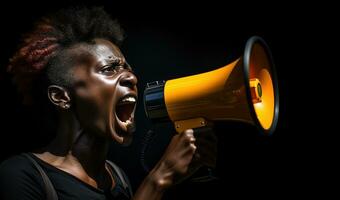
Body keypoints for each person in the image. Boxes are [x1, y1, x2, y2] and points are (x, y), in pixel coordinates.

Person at [0, 6, 214, 200]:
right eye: (109, 69)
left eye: (126, 68)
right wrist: (159, 178)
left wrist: (174, 178)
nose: (131, 77)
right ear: (61, 97)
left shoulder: (117, 178)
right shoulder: (21, 175)